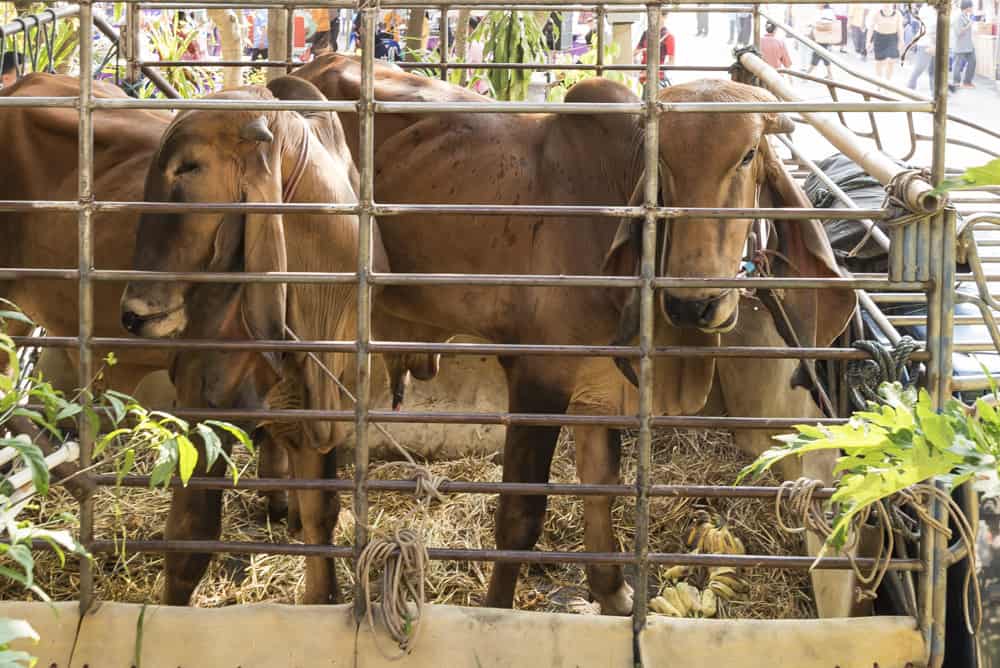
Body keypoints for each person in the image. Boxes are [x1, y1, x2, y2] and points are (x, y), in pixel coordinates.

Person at [634, 13, 675, 91]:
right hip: (642, 76)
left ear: (665, 17)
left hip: (657, 77)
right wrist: (641, 51)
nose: (655, 18)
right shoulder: (646, 33)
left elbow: (671, 62)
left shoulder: (669, 37)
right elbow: (634, 52)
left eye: (658, 15)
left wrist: (652, 71)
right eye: (652, 15)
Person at [867, 3, 904, 82]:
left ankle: (887, 82)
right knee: (879, 63)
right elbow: (871, 28)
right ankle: (879, 82)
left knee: (891, 61)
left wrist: (901, 41)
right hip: (879, 39)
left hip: (892, 39)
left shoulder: (898, 14)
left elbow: (900, 28)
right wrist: (868, 41)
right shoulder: (876, 13)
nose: (887, 4)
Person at [907, 2, 937, 91]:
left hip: (935, 42)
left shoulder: (933, 8)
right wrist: (932, 43)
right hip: (927, 43)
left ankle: (935, 94)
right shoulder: (927, 9)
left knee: (934, 71)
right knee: (919, 68)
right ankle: (909, 89)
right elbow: (928, 28)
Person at [951, 0, 977, 89]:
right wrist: (969, 25)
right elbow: (958, 32)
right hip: (960, 45)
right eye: (971, 6)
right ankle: (956, 83)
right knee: (957, 64)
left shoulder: (966, 16)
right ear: (967, 7)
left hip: (968, 45)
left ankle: (967, 81)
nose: (972, 8)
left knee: (973, 61)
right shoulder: (958, 17)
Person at [807, 4, 838, 78]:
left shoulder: (827, 12)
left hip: (823, 37)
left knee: (817, 53)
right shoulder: (826, 11)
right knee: (824, 54)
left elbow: (826, 26)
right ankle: (830, 74)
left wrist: (813, 26)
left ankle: (808, 73)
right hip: (823, 37)